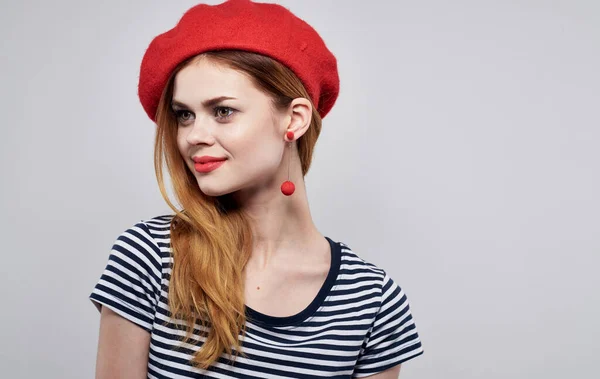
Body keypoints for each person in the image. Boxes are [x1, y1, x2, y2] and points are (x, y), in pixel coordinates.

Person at [89, 0, 424, 377]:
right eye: (184, 114)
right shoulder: (150, 257)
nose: (194, 136)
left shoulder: (372, 301)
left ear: (294, 119)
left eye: (223, 111)